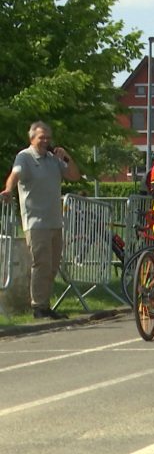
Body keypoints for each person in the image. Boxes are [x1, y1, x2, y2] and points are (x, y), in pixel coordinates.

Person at [1, 121, 81, 319]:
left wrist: (67, 158)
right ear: (32, 139)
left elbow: (75, 176)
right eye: (41, 137)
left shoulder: (54, 159)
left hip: (55, 221)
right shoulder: (25, 157)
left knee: (52, 266)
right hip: (36, 222)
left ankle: (45, 305)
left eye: (48, 137)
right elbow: (14, 175)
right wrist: (9, 190)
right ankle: (38, 307)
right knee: (41, 264)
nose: (45, 141)